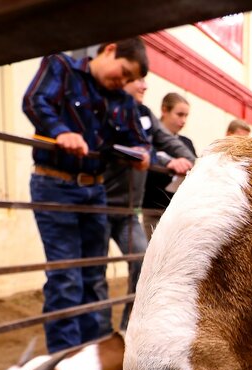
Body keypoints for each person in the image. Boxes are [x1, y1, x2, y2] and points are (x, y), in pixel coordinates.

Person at [22, 38, 150, 353]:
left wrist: (141, 151)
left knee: (94, 275)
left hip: (95, 189)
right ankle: (65, 359)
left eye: (130, 79)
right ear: (109, 49)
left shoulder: (121, 101)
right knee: (66, 276)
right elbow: (35, 100)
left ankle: (91, 356)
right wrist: (59, 131)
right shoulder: (61, 67)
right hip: (55, 183)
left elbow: (140, 138)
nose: (123, 81)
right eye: (124, 71)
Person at [102, 78, 195, 331]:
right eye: (136, 78)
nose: (144, 86)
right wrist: (161, 160)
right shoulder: (105, 108)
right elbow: (119, 147)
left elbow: (163, 143)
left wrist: (197, 164)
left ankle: (126, 328)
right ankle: (98, 333)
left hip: (132, 209)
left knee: (143, 264)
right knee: (94, 272)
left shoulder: (143, 115)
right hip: (104, 204)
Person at [142, 93, 197, 239]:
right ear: (164, 110)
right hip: (153, 208)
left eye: (186, 116)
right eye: (179, 114)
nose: (183, 120)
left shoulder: (187, 143)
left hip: (179, 212)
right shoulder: (149, 139)